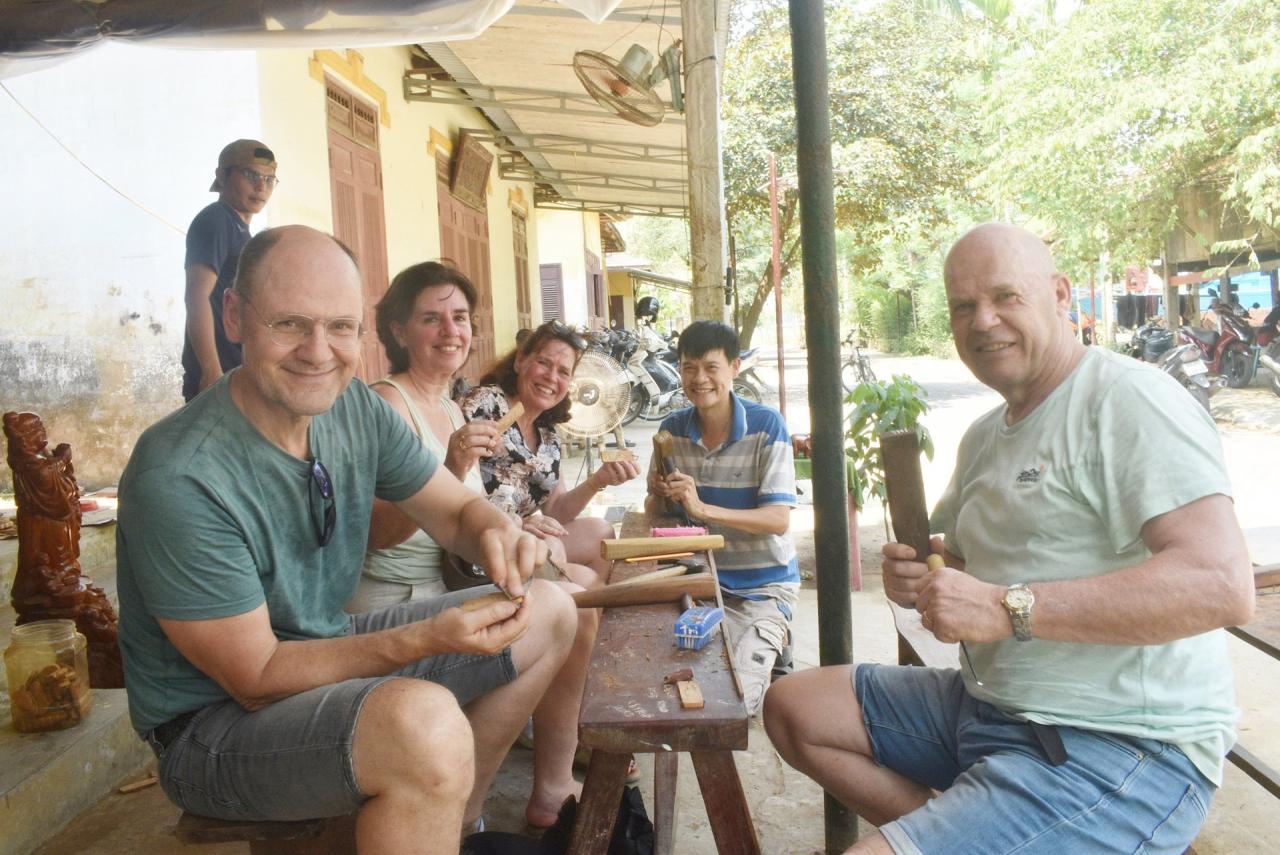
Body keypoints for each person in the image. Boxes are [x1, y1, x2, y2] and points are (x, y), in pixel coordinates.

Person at [763, 223, 1255, 855]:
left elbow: (1220, 584)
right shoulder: (984, 434)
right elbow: (962, 564)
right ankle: (977, 828)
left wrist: (1005, 607)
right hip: (990, 709)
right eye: (963, 306)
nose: (983, 320)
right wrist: (924, 581)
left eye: (1006, 297)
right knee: (794, 706)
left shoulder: (1129, 400)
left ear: (1059, 295)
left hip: (1125, 746)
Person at [117, 225, 577, 853]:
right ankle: (431, 798)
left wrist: (498, 531)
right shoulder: (180, 473)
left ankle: (450, 818)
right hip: (212, 727)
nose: (318, 352)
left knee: (549, 608)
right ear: (232, 314)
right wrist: (426, 637)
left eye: (340, 327)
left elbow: (453, 513)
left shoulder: (351, 408)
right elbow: (256, 675)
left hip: (320, 650)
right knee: (422, 725)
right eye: (289, 324)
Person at [350, 261, 599, 827]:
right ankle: (473, 810)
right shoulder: (387, 404)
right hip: (393, 602)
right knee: (567, 611)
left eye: (459, 318)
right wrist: (453, 462)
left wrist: (516, 533)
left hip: (443, 584)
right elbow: (375, 533)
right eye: (431, 319)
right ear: (397, 331)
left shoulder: (450, 405)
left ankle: (476, 802)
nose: (449, 331)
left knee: (568, 604)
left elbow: (473, 515)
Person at [645, 320, 799, 715]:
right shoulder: (671, 431)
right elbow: (657, 515)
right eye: (688, 367)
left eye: (711, 367)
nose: (699, 379)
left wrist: (701, 509)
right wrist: (658, 496)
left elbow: (778, 519)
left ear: (734, 367)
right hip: (695, 581)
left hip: (760, 587)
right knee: (652, 682)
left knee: (730, 704)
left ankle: (771, 641)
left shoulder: (767, 426)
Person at [459, 322, 639, 587]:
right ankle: (563, 614)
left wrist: (597, 481)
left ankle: (589, 618)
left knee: (600, 532)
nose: (551, 378)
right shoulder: (484, 404)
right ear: (520, 361)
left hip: (524, 537)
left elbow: (555, 511)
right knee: (558, 552)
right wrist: (516, 523)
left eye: (563, 372)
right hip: (483, 543)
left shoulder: (547, 431)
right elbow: (457, 485)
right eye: (544, 363)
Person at [182, 139, 278, 401]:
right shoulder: (216, 220)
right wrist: (210, 370)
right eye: (251, 175)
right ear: (222, 176)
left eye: (270, 180)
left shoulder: (239, 229)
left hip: (239, 369)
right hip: (219, 373)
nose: (261, 187)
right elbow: (196, 296)